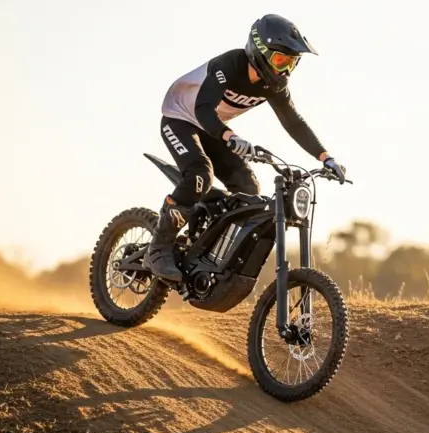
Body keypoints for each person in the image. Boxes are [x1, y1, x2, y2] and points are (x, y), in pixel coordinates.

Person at [144, 14, 347, 282]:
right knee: (199, 175)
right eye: (280, 60)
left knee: (249, 189)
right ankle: (158, 248)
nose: (285, 70)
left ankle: (206, 247)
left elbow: (293, 122)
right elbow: (203, 108)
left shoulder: (275, 85)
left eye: (291, 62)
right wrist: (229, 136)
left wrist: (326, 157)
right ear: (260, 52)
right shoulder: (230, 65)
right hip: (180, 118)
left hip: (213, 129)